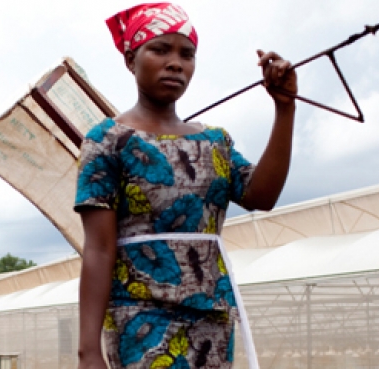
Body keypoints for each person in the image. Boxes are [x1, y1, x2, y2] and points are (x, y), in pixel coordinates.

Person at [75, 3, 297, 368]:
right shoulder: (108, 140)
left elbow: (263, 196)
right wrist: (88, 352)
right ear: (131, 59)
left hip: (211, 318)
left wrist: (284, 108)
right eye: (160, 49)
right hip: (141, 318)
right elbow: (98, 250)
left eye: (186, 54)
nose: (176, 63)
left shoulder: (214, 142)